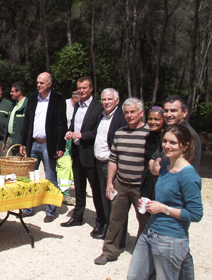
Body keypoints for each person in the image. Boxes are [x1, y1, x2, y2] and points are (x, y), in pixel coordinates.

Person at [126, 125, 203, 280]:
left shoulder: (189, 176)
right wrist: (148, 204)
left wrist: (164, 209)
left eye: (173, 143)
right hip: (150, 233)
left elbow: (195, 214)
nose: (167, 146)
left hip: (171, 240)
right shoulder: (165, 167)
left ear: (185, 146)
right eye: (165, 141)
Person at [94, 97, 151, 265]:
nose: (129, 115)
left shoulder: (150, 134)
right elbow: (113, 160)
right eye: (126, 112)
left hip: (140, 186)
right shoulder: (120, 133)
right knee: (115, 219)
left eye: (133, 112)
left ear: (141, 113)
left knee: (144, 221)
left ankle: (143, 254)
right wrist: (110, 182)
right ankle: (109, 251)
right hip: (121, 183)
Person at [19, 72, 67, 222]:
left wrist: (60, 146)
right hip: (33, 144)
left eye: (42, 83)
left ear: (49, 84)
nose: (38, 85)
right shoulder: (32, 99)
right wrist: (22, 143)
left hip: (48, 145)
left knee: (51, 178)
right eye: (37, 82)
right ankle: (28, 208)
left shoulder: (58, 100)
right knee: (30, 178)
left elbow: (61, 125)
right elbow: (27, 122)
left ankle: (51, 211)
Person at [61, 77, 103, 231]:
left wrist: (82, 135)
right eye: (79, 88)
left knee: (96, 189)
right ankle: (77, 216)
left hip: (90, 154)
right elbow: (74, 124)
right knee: (78, 187)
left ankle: (101, 221)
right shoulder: (77, 106)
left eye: (84, 88)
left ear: (91, 88)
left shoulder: (98, 108)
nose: (81, 91)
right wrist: (70, 132)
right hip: (77, 153)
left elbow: (98, 131)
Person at [91, 88, 128, 239]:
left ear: (117, 101)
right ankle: (106, 226)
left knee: (114, 200)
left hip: (111, 164)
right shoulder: (103, 116)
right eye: (104, 99)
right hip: (100, 163)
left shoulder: (121, 117)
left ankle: (115, 234)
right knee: (103, 197)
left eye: (109, 99)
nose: (106, 102)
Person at [150, 95, 201, 174]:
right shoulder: (169, 132)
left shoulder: (187, 135)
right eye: (166, 111)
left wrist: (156, 163)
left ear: (184, 113)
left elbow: (158, 168)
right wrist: (155, 163)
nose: (169, 114)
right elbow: (153, 160)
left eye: (173, 111)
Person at [57, 91, 80, 205]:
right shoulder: (63, 105)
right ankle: (64, 194)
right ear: (75, 98)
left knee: (69, 167)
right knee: (64, 166)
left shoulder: (79, 107)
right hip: (62, 140)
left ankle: (63, 190)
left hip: (73, 141)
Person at [3, 81, 27, 156]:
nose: (10, 93)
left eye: (12, 91)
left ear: (19, 92)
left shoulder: (27, 106)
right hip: (9, 139)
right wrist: (5, 142)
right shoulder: (13, 105)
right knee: (6, 164)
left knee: (17, 165)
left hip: (19, 141)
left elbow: (27, 127)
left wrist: (23, 143)